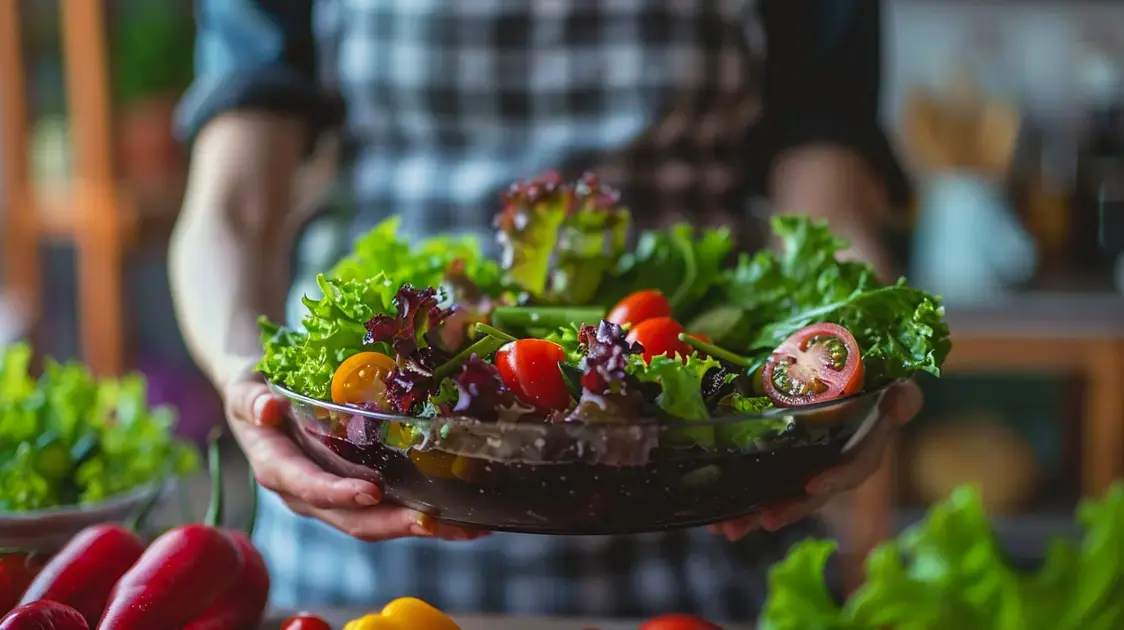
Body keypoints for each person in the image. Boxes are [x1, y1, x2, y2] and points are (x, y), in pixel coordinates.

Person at [169, 0, 922, 621]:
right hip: (371, 545)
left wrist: (851, 359)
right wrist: (245, 374)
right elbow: (230, 207)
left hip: (700, 538)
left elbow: (828, 214)